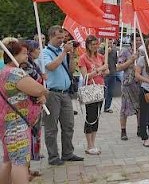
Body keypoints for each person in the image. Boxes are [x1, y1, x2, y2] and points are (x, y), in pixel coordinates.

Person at [0, 40, 48, 184]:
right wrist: (43, 92)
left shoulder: (3, 71)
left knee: (9, 161)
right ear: (13, 55)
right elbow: (38, 89)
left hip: (8, 123)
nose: (27, 56)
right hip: (17, 124)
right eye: (24, 54)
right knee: (20, 162)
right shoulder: (14, 72)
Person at [42, 26, 84, 165]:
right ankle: (53, 157)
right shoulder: (45, 52)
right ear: (50, 37)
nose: (61, 41)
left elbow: (71, 70)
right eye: (58, 38)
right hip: (51, 93)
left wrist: (71, 56)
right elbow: (51, 66)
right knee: (51, 128)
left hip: (65, 93)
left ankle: (68, 153)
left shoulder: (62, 51)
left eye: (63, 38)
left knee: (68, 125)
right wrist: (63, 52)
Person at [77, 36, 109, 155]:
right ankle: (89, 144)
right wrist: (98, 70)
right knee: (90, 116)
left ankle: (93, 143)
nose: (95, 46)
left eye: (97, 44)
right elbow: (85, 76)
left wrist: (103, 70)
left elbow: (107, 71)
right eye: (92, 44)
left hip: (100, 88)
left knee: (96, 116)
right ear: (87, 45)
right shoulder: (83, 58)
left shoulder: (100, 57)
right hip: (90, 89)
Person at [21, 40, 45, 178]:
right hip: (30, 103)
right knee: (28, 138)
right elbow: (33, 81)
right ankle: (24, 171)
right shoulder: (25, 66)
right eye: (37, 49)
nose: (39, 51)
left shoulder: (33, 64)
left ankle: (28, 169)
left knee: (34, 137)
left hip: (36, 103)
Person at [116, 37, 140, 141]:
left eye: (140, 40)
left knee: (140, 107)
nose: (138, 42)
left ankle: (140, 128)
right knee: (125, 107)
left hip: (139, 83)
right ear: (131, 42)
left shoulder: (143, 52)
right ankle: (123, 130)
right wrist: (131, 61)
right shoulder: (125, 52)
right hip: (127, 83)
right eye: (136, 40)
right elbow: (119, 67)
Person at [103, 39, 118, 113]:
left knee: (110, 91)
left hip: (113, 73)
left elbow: (116, 61)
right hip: (104, 75)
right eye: (108, 42)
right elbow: (99, 60)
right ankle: (99, 106)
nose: (109, 44)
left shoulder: (114, 50)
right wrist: (106, 53)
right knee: (103, 91)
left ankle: (107, 107)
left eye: (111, 42)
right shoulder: (101, 50)